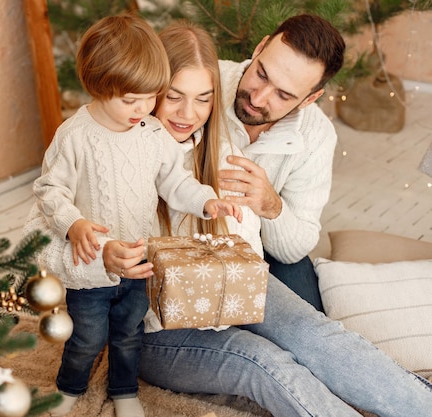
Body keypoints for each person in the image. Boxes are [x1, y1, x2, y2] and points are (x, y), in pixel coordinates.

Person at [27, 17, 432, 417]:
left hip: (228, 289)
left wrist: (265, 206)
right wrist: (99, 255)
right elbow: (37, 236)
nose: (188, 112)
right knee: (266, 364)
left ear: (310, 98)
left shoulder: (223, 136)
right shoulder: (102, 143)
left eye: (203, 98)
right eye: (171, 95)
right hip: (151, 324)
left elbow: (272, 248)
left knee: (313, 335)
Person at [30, 13, 241, 417]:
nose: (144, 108)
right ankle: (69, 387)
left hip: (139, 265)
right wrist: (74, 225)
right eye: (131, 100)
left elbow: (174, 181)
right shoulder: (74, 136)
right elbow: (49, 190)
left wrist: (207, 200)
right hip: (92, 266)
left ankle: (125, 391)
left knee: (129, 334)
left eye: (150, 97)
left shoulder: (152, 133)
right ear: (98, 84)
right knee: (87, 338)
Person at [216, 14, 348, 311]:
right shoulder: (203, 83)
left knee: (309, 323)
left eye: (283, 95)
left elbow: (296, 246)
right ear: (261, 47)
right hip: (190, 237)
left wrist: (271, 206)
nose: (259, 98)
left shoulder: (317, 135)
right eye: (262, 74)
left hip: (265, 246)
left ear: (309, 99)